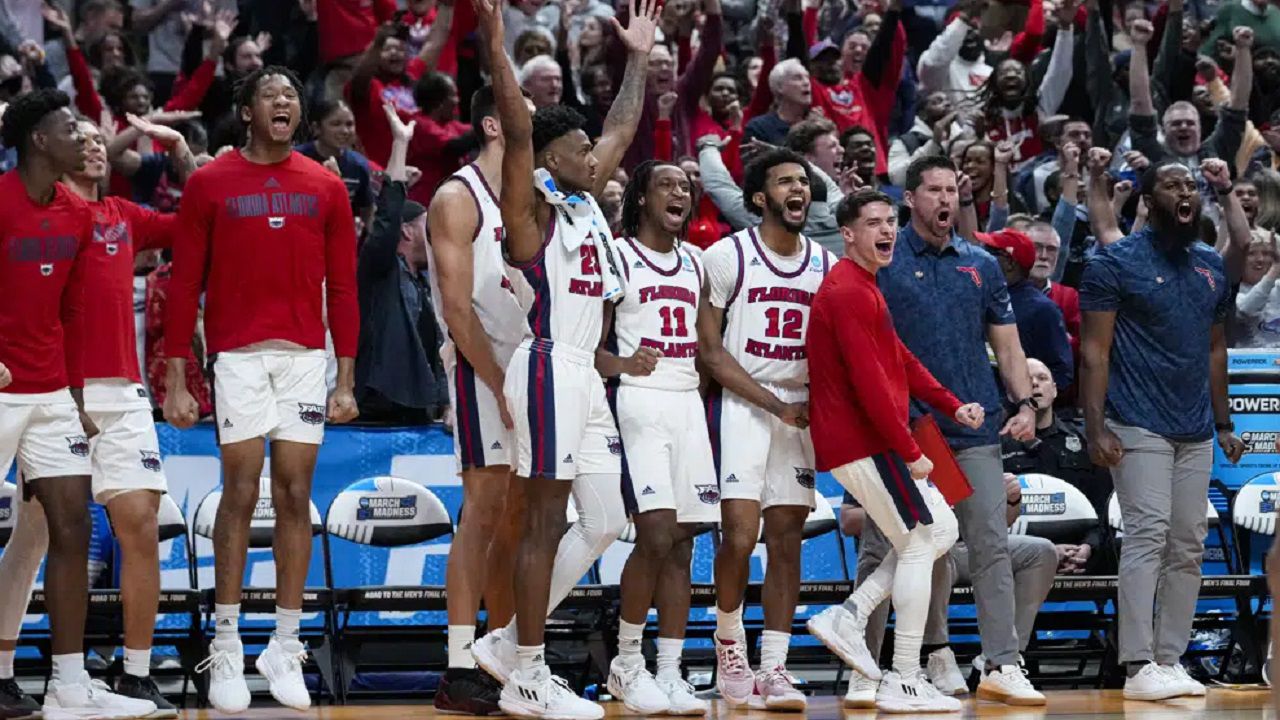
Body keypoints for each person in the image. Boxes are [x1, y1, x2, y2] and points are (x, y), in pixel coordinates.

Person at [468, 0, 657, 716]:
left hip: (586, 373)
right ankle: (527, 670)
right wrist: (492, 35)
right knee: (545, 520)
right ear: (550, 160)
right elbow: (518, 128)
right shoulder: (531, 208)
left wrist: (636, 55)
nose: (595, 160)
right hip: (546, 365)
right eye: (579, 153)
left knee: (605, 517)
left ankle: (509, 640)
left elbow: (620, 128)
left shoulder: (581, 203)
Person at [163, 66, 360, 714]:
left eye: (292, 96)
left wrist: (347, 375)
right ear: (246, 111)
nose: (284, 102)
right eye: (270, 95)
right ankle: (225, 641)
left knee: (297, 495)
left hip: (305, 357)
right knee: (241, 491)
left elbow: (345, 286)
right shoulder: (208, 183)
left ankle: (284, 641)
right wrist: (174, 376)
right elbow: (183, 284)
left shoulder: (326, 186)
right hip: (238, 358)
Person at [0, 112, 193, 719]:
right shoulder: (21, 204)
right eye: (75, 135)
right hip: (25, 388)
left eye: (94, 139)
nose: (90, 146)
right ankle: (10, 670)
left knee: (100, 524)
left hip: (86, 390)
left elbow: (194, 223)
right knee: (31, 542)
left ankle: (99, 678)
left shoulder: (107, 216)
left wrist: (183, 154)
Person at [806, 189, 984, 713]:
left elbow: (899, 360)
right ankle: (904, 674)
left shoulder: (866, 287)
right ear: (848, 233)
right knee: (921, 541)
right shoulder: (847, 291)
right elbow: (869, 385)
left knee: (939, 533)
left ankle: (852, 617)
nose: (886, 231)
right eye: (873, 223)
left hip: (870, 441)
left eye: (890, 222)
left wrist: (952, 406)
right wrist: (910, 451)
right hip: (868, 441)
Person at [877, 155, 1045, 706]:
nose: (945, 200)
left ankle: (1002, 662)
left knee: (991, 544)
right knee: (897, 546)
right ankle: (881, 666)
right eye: (933, 190)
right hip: (904, 428)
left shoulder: (982, 264)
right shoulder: (882, 259)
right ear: (909, 199)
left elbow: (1008, 343)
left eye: (952, 190)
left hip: (974, 426)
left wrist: (1023, 402)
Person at [1079, 157, 1246, 701]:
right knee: (1147, 535)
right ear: (1148, 200)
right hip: (1136, 422)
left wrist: (1224, 424)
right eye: (1173, 184)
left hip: (1195, 427)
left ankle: (1171, 658)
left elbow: (1216, 348)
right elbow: (1094, 351)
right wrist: (1095, 424)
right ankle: (1136, 662)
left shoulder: (1208, 265)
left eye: (1192, 186)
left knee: (1189, 542)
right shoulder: (1116, 262)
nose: (1186, 192)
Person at [697, 148, 836, 710]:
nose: (797, 189)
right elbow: (710, 351)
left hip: (798, 410)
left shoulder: (825, 266)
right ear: (759, 197)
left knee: (786, 541)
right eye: (784, 182)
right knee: (738, 535)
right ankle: (729, 644)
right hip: (743, 405)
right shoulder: (728, 255)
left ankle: (775, 666)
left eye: (802, 181)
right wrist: (773, 406)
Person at [426, 85, 534, 715]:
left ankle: (508, 658)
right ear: (494, 124)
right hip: (480, 368)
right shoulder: (456, 197)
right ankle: (458, 667)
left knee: (520, 522)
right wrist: (495, 380)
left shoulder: (534, 193)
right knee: (484, 510)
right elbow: (458, 310)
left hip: (531, 370)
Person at [594, 160, 711, 716]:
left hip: (687, 399)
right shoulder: (617, 256)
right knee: (657, 533)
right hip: (638, 401)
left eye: (685, 186)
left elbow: (708, 345)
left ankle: (669, 670)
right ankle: (626, 663)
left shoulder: (695, 262)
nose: (679, 192)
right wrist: (623, 364)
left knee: (684, 540)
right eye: (666, 184)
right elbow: (587, 346)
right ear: (640, 197)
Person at [355, 102, 449, 424]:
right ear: (406, 231)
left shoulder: (426, 282)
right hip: (376, 411)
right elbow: (386, 220)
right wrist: (400, 144)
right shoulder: (379, 269)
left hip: (418, 411)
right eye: (428, 224)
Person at [1002, 358, 1114, 574]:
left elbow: (1104, 505)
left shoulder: (1083, 443)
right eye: (1027, 379)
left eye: (1042, 378)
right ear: (1012, 392)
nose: (1035, 384)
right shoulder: (996, 447)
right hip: (1016, 555)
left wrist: (1089, 547)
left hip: (1081, 552)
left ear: (1054, 390)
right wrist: (1046, 551)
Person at [974, 228, 1074, 389]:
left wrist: (1020, 402)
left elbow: (1061, 374)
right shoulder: (980, 297)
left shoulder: (1042, 310)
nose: (980, 256)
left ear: (1009, 263)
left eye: (990, 252)